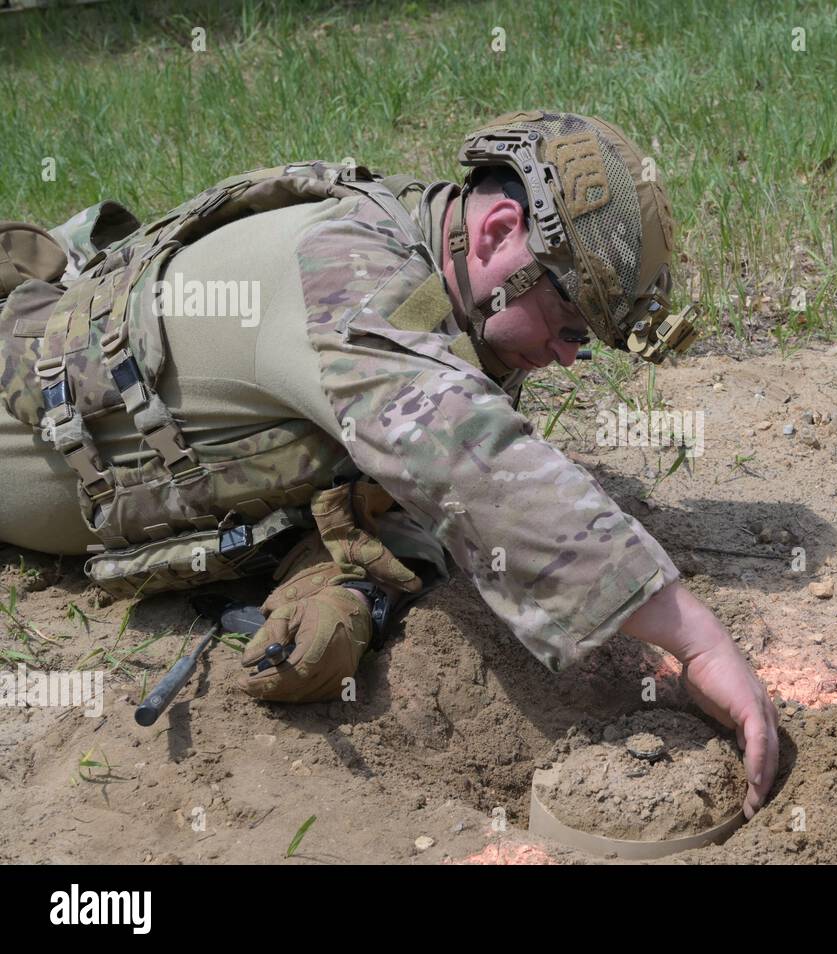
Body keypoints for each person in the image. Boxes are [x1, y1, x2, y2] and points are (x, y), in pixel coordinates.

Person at [0, 110, 777, 817]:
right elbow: (466, 456)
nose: (569, 360)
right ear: (500, 229)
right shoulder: (349, 275)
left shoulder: (429, 263)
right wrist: (697, 640)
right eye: (571, 324)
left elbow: (415, 439)